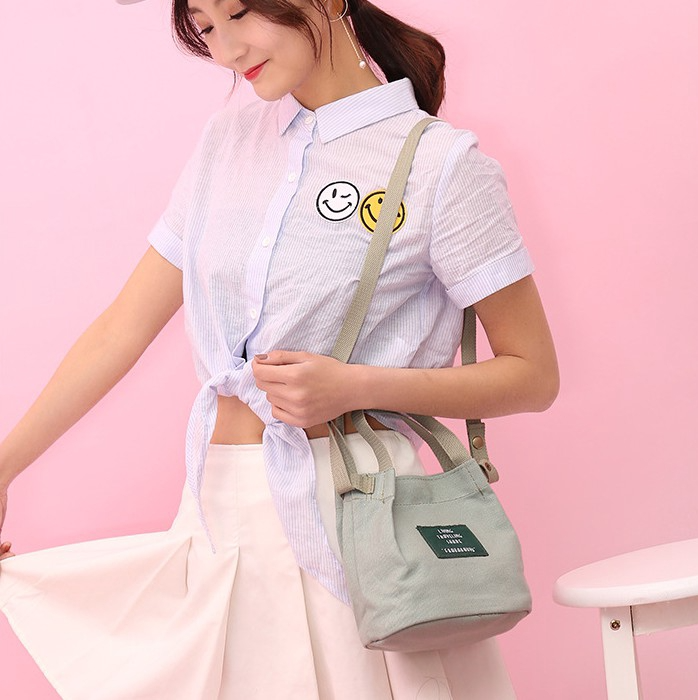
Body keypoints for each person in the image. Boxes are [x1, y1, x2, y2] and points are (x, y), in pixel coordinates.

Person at [0, 0, 559, 697]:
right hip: (219, 507)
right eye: (207, 27)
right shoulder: (228, 143)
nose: (228, 50)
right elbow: (122, 328)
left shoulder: (440, 166)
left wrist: (357, 385)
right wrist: (5, 466)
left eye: (240, 12)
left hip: (358, 512)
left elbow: (533, 374)